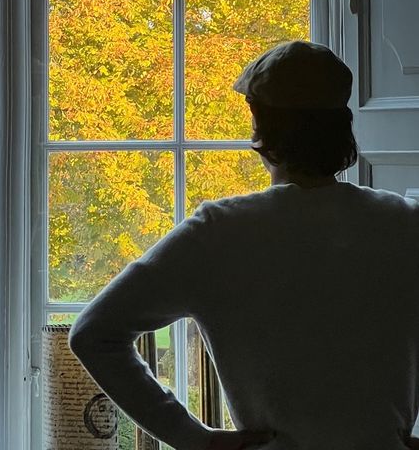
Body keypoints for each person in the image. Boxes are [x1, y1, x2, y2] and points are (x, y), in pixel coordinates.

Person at [69, 40, 419, 450]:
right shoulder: (407, 224)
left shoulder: (217, 232)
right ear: (343, 126)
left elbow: (94, 333)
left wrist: (192, 438)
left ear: (261, 128)